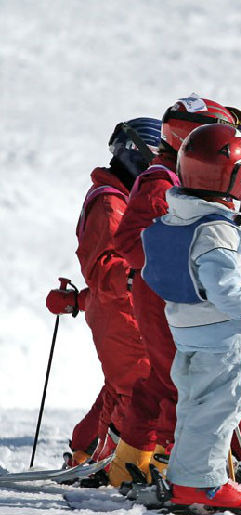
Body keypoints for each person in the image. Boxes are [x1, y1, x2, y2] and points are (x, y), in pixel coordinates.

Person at [108, 95, 241, 487]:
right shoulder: (162, 182)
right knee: (182, 377)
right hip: (166, 292)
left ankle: (133, 461)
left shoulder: (173, 178)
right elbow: (129, 241)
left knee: (166, 377)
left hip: (170, 289)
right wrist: (178, 261)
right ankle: (177, 463)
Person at [140, 123, 241, 509]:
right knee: (220, 407)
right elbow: (223, 288)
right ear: (237, 177)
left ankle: (187, 476)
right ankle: (202, 484)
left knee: (194, 404)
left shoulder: (176, 218)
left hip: (184, 327)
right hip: (221, 333)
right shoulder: (217, 230)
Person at [45, 118, 160, 467]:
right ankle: (115, 462)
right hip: (120, 315)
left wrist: (77, 301)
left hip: (122, 310)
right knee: (140, 391)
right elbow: (104, 269)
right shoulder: (111, 204)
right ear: (134, 156)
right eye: (155, 159)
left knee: (119, 389)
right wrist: (146, 276)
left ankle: (85, 449)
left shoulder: (123, 199)